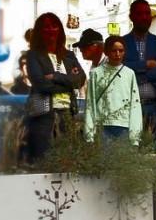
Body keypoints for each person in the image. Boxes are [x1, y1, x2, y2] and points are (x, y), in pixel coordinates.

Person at [23, 13, 86, 162]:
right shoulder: (33, 55)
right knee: (43, 159)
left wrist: (55, 77)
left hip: (67, 114)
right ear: (39, 31)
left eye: (54, 26)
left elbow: (81, 80)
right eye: (46, 27)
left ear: (60, 30)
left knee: (65, 160)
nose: (51, 30)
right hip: (43, 115)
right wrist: (69, 83)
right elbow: (41, 84)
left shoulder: (69, 55)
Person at [122, 0, 156, 149]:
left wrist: (139, 76)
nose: (144, 17)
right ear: (131, 17)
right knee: (132, 151)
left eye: (147, 13)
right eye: (140, 14)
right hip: (129, 108)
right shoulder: (122, 43)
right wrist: (145, 64)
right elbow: (121, 69)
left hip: (155, 107)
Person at [84, 35, 142, 144]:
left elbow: (135, 104)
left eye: (121, 50)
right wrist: (89, 134)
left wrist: (135, 136)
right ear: (106, 52)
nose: (117, 54)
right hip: (102, 126)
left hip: (124, 125)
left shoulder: (129, 74)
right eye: (114, 51)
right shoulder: (96, 73)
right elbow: (90, 104)